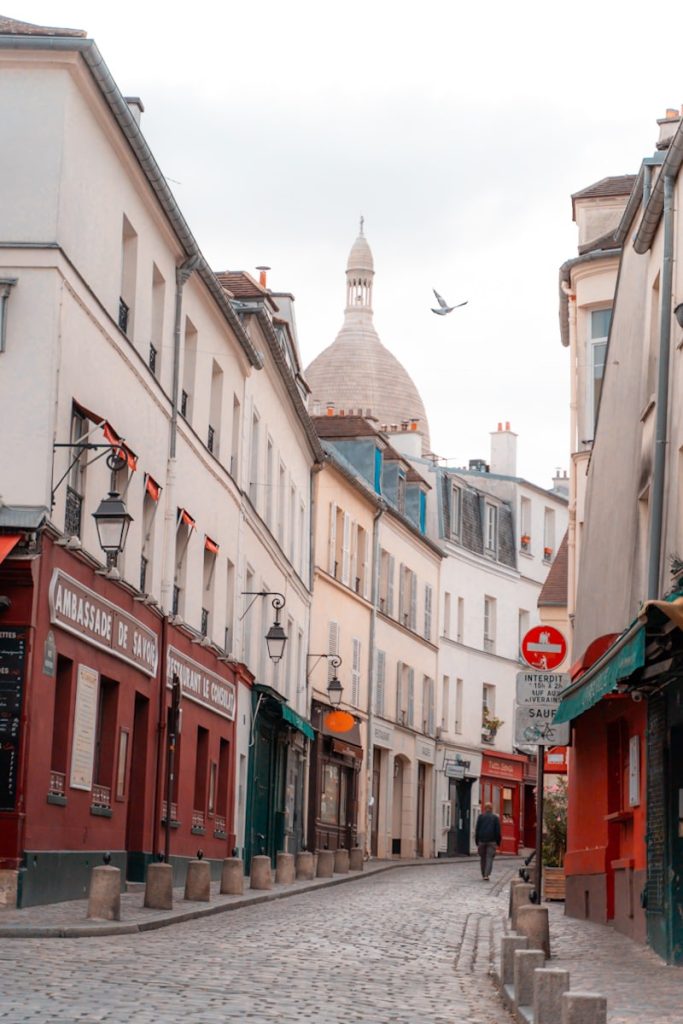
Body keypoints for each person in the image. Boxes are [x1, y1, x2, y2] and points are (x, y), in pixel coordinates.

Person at [475, 801, 501, 880]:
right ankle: (486, 875)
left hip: (482, 841)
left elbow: (477, 829)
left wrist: (477, 840)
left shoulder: (481, 817)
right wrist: (498, 842)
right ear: (491, 809)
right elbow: (497, 831)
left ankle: (483, 874)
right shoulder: (495, 818)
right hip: (492, 841)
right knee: (489, 858)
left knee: (483, 858)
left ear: (485, 808)